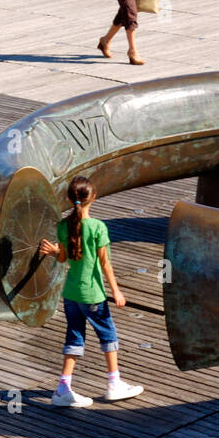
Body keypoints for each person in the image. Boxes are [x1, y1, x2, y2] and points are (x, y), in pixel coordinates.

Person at [38, 175, 144, 408]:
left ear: (69, 199)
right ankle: (114, 383)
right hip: (93, 294)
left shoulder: (63, 226)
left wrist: (55, 252)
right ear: (93, 197)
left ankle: (63, 389)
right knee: (108, 336)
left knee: (74, 337)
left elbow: (66, 257)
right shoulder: (97, 228)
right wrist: (116, 292)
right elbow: (106, 264)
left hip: (71, 294)